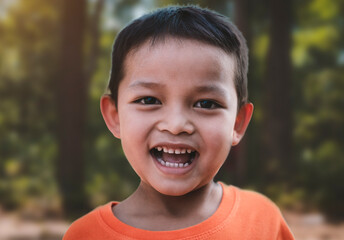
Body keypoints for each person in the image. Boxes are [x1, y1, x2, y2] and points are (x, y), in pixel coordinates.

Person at [63, 5, 295, 240]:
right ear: (114, 116)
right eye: (149, 100)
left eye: (206, 104)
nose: (175, 125)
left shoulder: (261, 221)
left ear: (237, 123)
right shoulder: (86, 235)